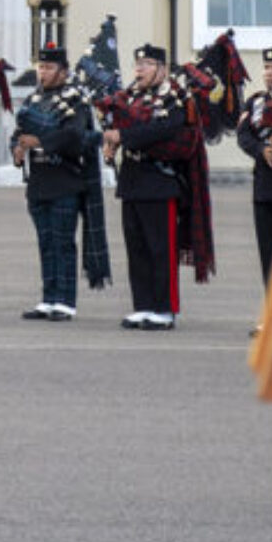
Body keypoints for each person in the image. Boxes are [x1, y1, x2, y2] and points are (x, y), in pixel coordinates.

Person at [11, 46, 106, 321]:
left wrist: (40, 141)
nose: (43, 72)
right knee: (45, 242)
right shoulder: (33, 99)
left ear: (63, 72)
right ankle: (48, 298)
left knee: (63, 243)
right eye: (41, 68)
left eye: (49, 68)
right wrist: (17, 150)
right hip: (39, 181)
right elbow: (19, 133)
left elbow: (74, 137)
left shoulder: (75, 101)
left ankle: (65, 301)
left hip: (65, 180)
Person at [102, 44, 192, 330]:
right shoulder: (130, 97)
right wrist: (112, 141)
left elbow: (163, 129)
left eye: (147, 63)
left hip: (159, 181)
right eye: (138, 63)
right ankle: (143, 306)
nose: (139, 69)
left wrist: (123, 135)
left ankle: (165, 309)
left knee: (160, 248)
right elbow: (123, 124)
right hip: (133, 178)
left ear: (162, 69)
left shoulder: (174, 97)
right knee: (137, 247)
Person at [240, 43, 272, 290]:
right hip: (264, 187)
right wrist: (261, 150)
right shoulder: (256, 102)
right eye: (267, 67)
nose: (270, 72)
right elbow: (244, 135)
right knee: (268, 255)